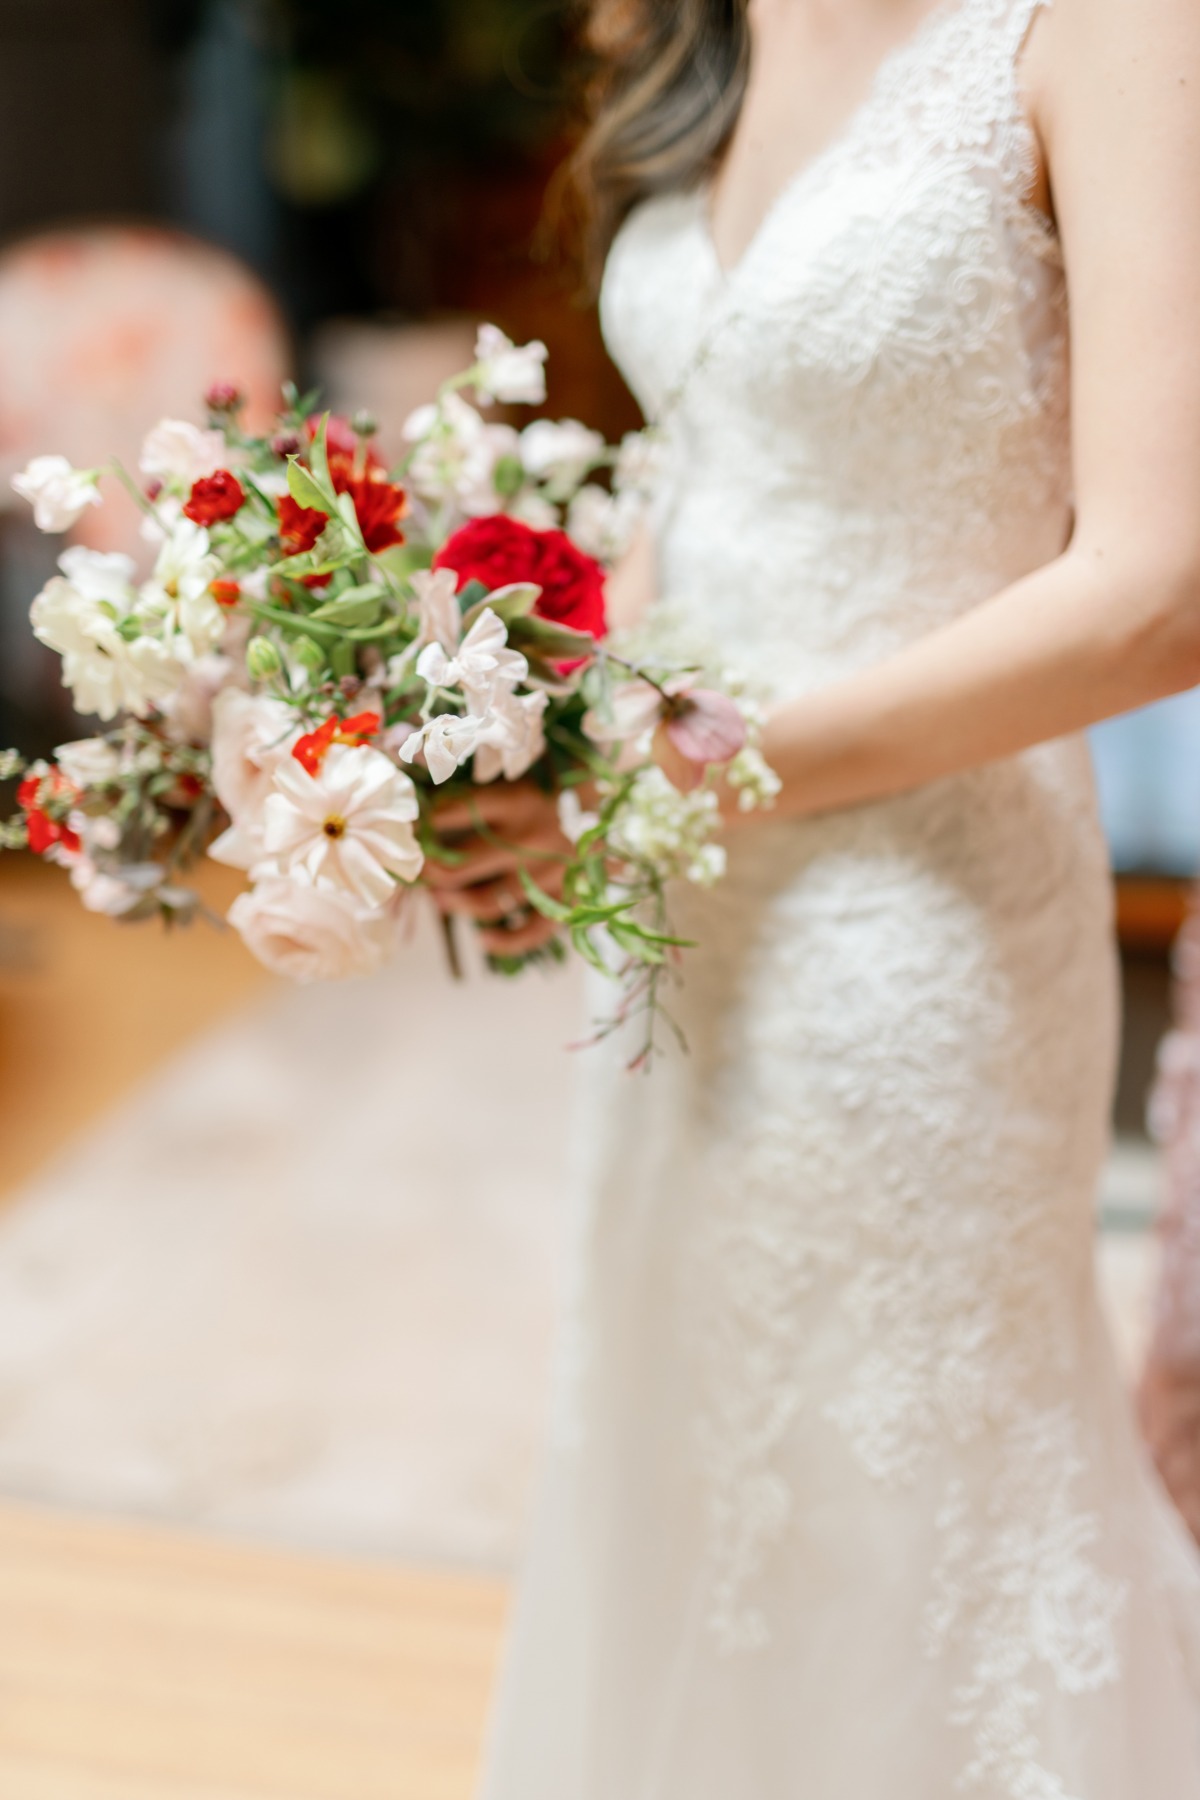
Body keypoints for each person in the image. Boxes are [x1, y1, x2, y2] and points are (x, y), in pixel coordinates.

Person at [431, 0, 1200, 1791]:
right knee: (684, 1428)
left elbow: (1160, 588)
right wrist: (514, 739)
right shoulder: (692, 23)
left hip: (916, 918)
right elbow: (717, 471)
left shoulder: (1103, 28)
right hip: (681, 895)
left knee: (907, 1471)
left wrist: (703, 768)